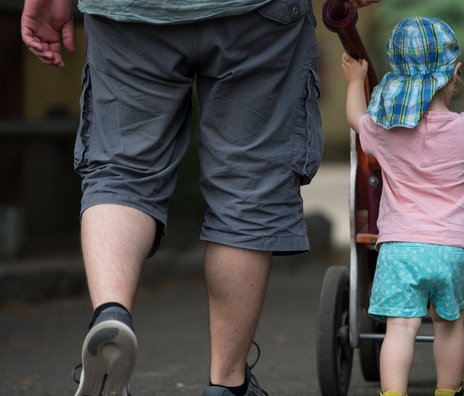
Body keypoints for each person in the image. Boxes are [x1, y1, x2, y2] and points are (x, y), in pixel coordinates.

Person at [20, 0, 380, 395]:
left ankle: (111, 313)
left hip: (128, 12)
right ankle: (227, 383)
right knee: (247, 189)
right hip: (255, 15)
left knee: (121, 172)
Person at [341, 16, 464, 396]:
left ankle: (393, 394)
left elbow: (355, 119)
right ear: (455, 72)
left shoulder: (384, 129)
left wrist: (354, 82)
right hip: (451, 248)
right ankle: (448, 391)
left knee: (400, 328)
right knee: (449, 324)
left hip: (400, 248)